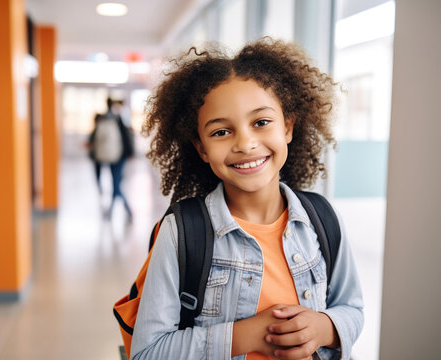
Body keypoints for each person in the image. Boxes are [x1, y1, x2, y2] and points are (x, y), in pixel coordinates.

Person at [130, 37, 363, 360]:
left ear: (288, 127)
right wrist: (246, 336)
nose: (246, 143)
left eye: (261, 122)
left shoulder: (321, 218)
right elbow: (148, 352)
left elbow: (351, 307)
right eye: (221, 131)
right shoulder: (182, 232)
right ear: (202, 148)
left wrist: (324, 327)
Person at [88, 97, 134, 221]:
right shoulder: (118, 118)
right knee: (116, 184)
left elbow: (93, 136)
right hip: (119, 156)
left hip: (105, 156)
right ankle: (124, 210)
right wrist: (130, 153)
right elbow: (126, 136)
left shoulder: (101, 118)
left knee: (116, 184)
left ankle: (114, 209)